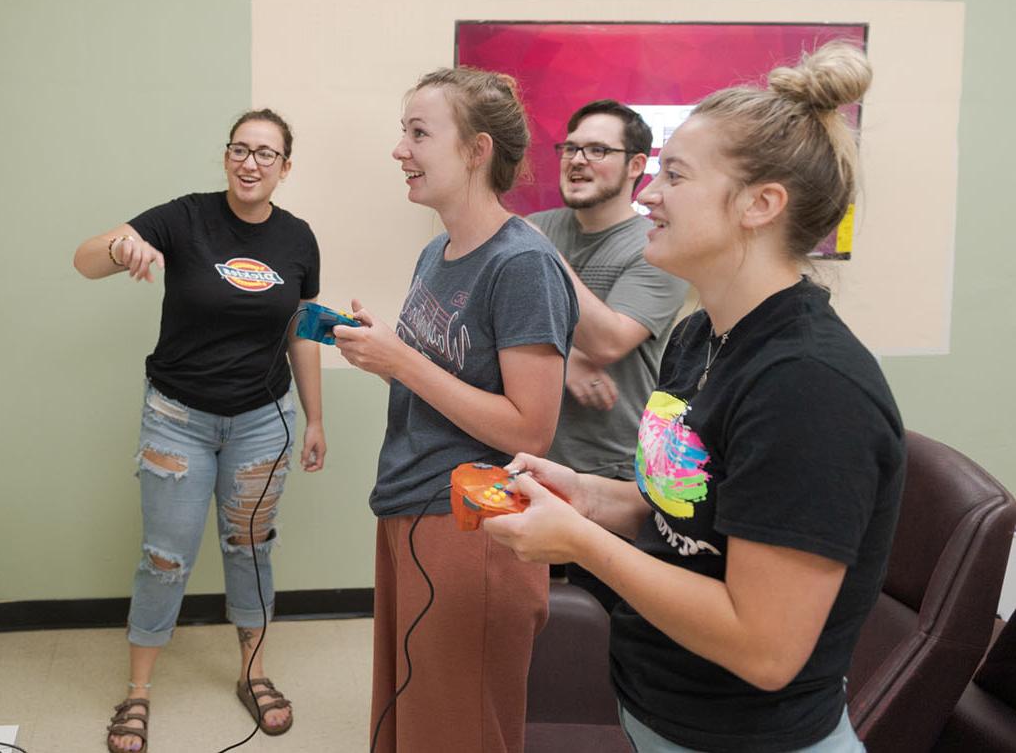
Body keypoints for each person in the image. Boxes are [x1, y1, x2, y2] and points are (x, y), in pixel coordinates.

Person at [486, 41, 906, 752]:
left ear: (760, 204)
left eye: (673, 176)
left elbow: (763, 647)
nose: (648, 193)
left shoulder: (809, 387)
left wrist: (578, 541)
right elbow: (681, 511)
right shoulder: (700, 338)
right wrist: (585, 495)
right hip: (658, 709)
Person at [333, 66, 578, 753]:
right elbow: (445, 388)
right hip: (409, 508)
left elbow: (531, 428)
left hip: (475, 524)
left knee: (462, 730)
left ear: (476, 151)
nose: (399, 150)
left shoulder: (524, 263)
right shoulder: (433, 256)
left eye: (418, 133)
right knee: (413, 721)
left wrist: (404, 361)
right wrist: (385, 356)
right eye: (402, 132)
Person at [73, 109, 325, 753]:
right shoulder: (184, 217)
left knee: (251, 549)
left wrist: (316, 418)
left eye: (267, 154)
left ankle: (253, 672)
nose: (251, 163)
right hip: (178, 420)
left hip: (264, 424)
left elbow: (304, 329)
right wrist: (120, 248)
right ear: (225, 157)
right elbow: (84, 261)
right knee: (165, 558)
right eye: (241, 149)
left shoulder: (298, 238)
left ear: (285, 168)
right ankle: (138, 692)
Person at [529, 100, 689, 609]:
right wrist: (569, 360)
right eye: (571, 147)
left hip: (611, 476)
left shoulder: (656, 246)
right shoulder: (536, 226)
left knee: (600, 628)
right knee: (530, 627)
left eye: (598, 149)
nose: (578, 159)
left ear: (636, 166)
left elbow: (609, 341)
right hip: (533, 461)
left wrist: (539, 254)